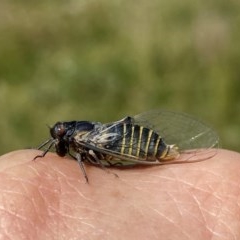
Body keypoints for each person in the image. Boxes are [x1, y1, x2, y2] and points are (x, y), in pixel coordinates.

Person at [0, 149, 239, 239]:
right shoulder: (69, 142)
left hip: (113, 143)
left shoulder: (82, 143)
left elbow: (87, 155)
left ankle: (156, 150)